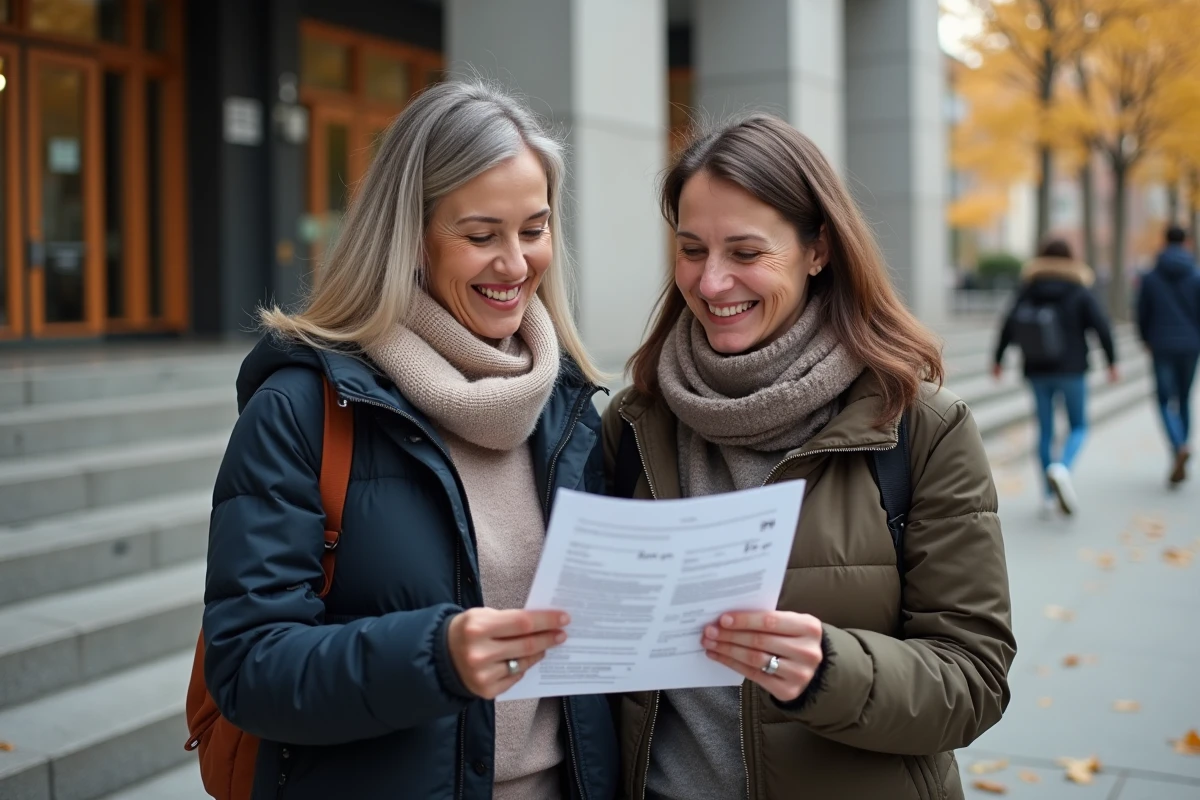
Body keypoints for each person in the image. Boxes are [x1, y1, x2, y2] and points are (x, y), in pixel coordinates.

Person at [201, 81, 617, 799]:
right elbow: (248, 666)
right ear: (408, 239)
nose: (515, 265)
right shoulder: (301, 410)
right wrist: (435, 657)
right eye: (481, 235)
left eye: (534, 229)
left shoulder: (572, 407)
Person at [603, 115, 1015, 800]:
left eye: (745, 252)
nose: (710, 284)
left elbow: (975, 678)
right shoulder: (633, 424)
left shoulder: (921, 430)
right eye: (691, 250)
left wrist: (829, 671)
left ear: (817, 249)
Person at [992, 239, 1117, 517]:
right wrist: (1112, 361)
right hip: (1072, 369)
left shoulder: (1029, 288)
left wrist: (998, 359)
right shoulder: (1079, 289)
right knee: (1079, 425)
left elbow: (1008, 324)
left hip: (1037, 369)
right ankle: (1063, 468)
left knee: (1045, 431)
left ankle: (1048, 497)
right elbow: (1101, 326)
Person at [1137, 224, 1200, 486]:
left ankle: (1177, 446)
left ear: (1164, 241)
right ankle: (1182, 444)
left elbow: (1142, 311)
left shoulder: (1151, 276)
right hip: (1190, 345)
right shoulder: (1196, 275)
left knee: (1164, 400)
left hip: (1161, 344)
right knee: (1184, 398)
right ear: (1186, 242)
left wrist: (1145, 338)